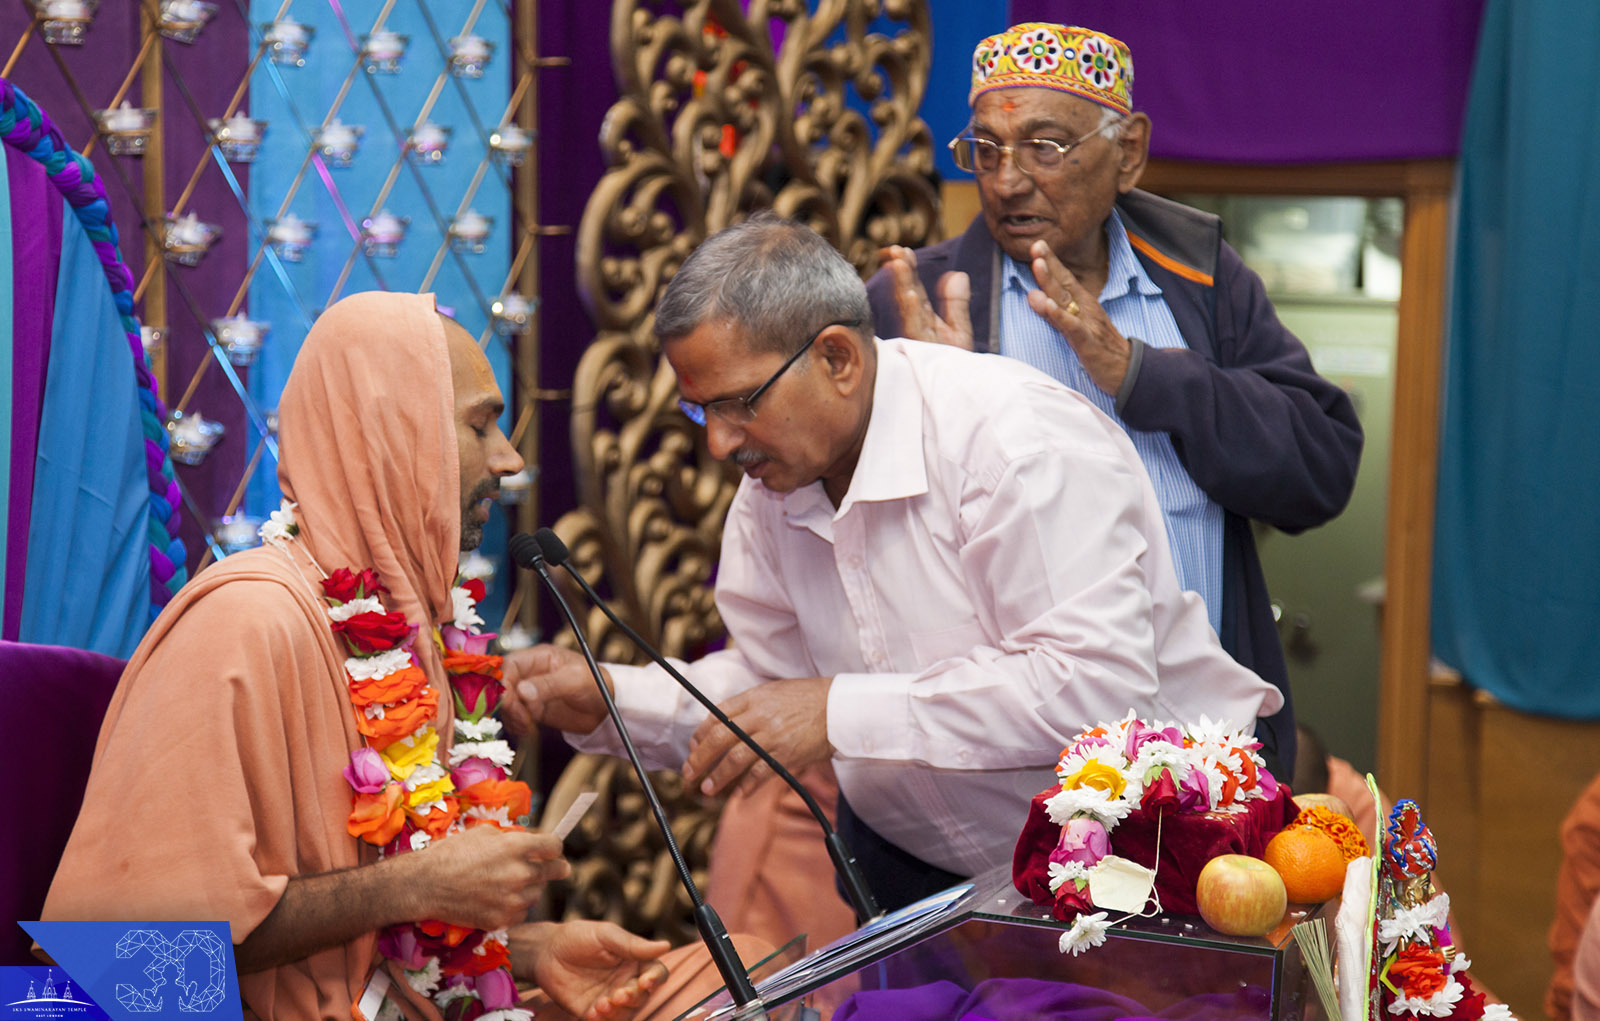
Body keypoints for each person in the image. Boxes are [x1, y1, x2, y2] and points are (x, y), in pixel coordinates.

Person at [503, 215, 1285, 912]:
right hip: (918, 884)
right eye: (702, 409)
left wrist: (839, 711)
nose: (718, 442)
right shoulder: (773, 489)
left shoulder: (1013, 443)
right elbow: (777, 689)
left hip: (1139, 867)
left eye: (742, 402)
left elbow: (1091, 690)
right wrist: (612, 698)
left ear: (838, 357)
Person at [42, 293, 753, 1021]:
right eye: (481, 424)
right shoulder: (243, 623)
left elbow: (370, 943)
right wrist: (414, 885)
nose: (508, 459)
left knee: (735, 976)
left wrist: (528, 951)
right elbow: (123, 963)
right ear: (392, 434)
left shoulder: (411, 633)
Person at [869, 22, 1366, 776]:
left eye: (1045, 147)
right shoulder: (920, 307)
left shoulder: (1202, 283)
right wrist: (942, 413)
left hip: (1205, 768)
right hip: (1009, 773)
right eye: (987, 149)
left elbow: (1320, 466)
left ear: (1127, 152)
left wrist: (1143, 375)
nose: (1005, 181)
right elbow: (854, 552)